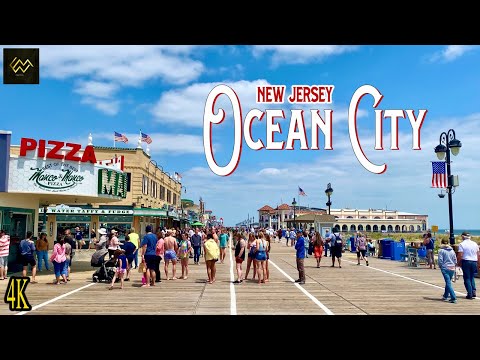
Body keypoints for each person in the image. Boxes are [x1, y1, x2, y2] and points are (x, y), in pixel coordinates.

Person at [457, 231, 479, 299]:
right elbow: (478, 254)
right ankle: (473, 290)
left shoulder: (462, 244)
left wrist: (458, 263)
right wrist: (478, 263)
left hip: (466, 261)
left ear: (463, 236)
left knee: (466, 277)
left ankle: (470, 293)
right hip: (474, 261)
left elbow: (460, 255)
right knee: (471, 277)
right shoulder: (474, 244)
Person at [438, 238, 457, 303]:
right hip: (452, 267)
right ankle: (445, 296)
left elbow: (440, 260)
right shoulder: (452, 250)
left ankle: (453, 297)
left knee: (448, 283)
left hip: (445, 268)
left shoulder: (441, 250)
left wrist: (440, 266)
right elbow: (455, 259)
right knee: (448, 282)